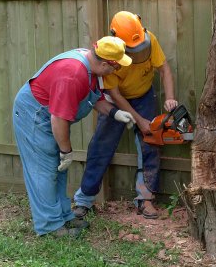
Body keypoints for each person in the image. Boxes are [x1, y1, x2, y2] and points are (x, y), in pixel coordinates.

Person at [12, 36, 135, 237]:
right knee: (44, 171)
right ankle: (49, 226)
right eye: (116, 67)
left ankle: (63, 217)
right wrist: (66, 151)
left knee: (59, 170)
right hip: (33, 115)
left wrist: (115, 113)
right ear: (105, 63)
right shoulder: (73, 73)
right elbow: (58, 119)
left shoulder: (90, 67)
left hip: (47, 115)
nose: (117, 71)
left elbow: (91, 98)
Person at [74, 11, 178, 219]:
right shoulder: (110, 55)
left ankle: (145, 199)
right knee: (101, 145)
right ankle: (83, 201)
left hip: (143, 96)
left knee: (150, 143)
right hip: (116, 100)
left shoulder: (150, 40)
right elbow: (114, 93)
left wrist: (170, 97)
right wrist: (139, 121)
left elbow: (164, 69)